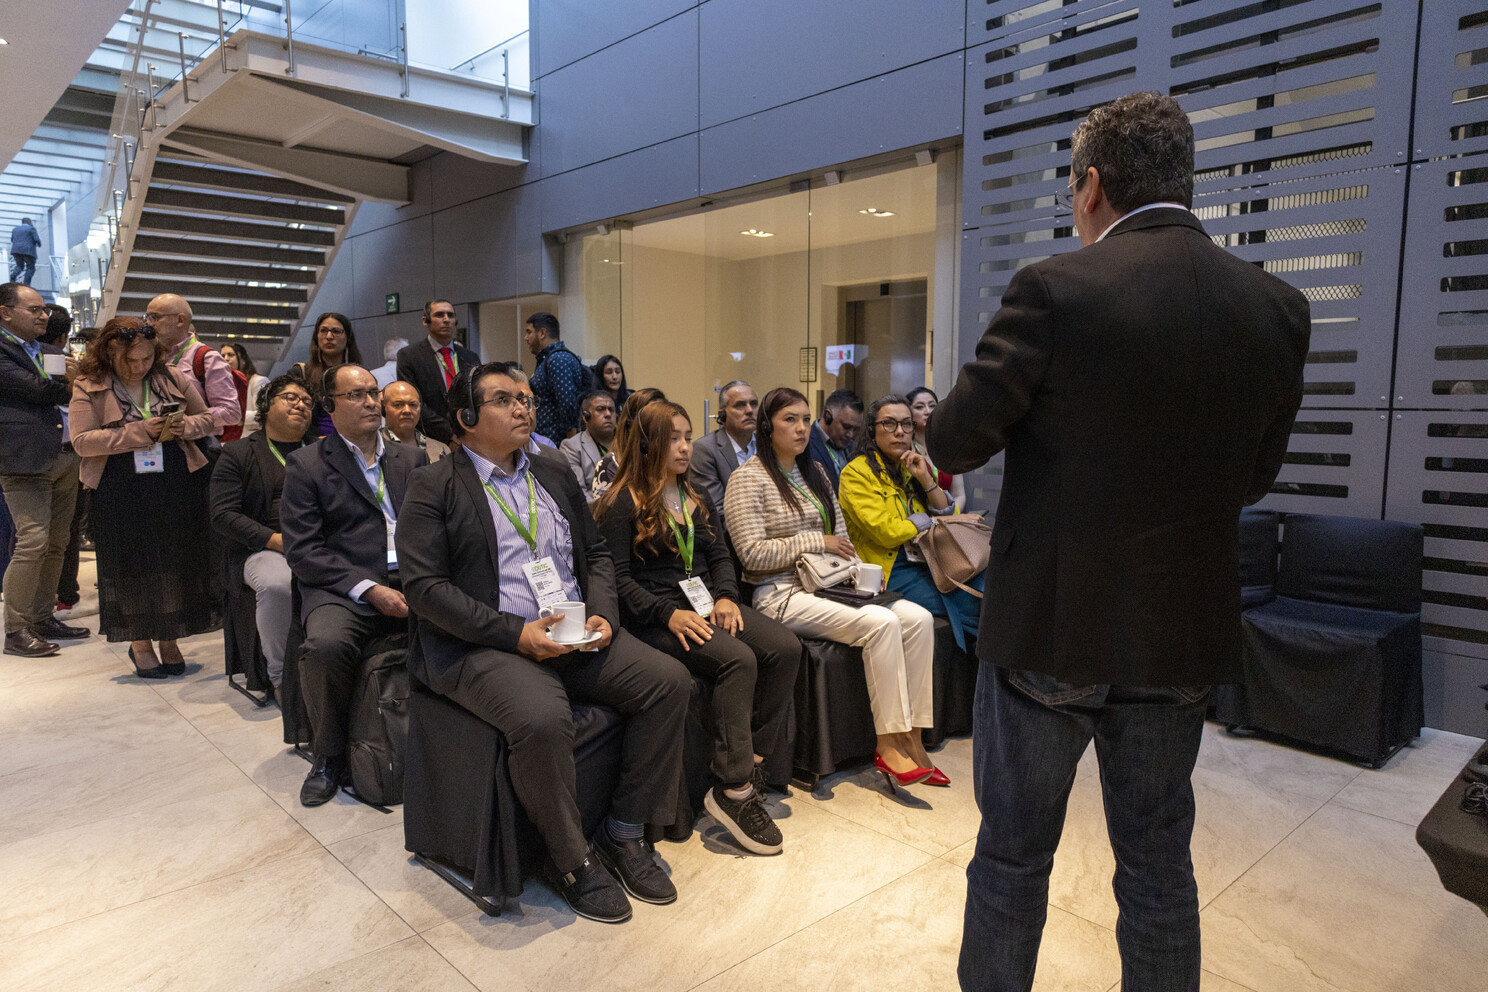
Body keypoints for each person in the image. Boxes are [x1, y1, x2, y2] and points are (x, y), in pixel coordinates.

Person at [929, 92, 1310, 992]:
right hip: (1180, 632)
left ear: (1092, 183)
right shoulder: (1276, 308)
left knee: (1014, 860)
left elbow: (950, 442)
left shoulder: (1055, 290)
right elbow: (1255, 477)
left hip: (1050, 634)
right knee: (1156, 866)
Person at [397, 362, 692, 924]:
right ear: (465, 417)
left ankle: (624, 831)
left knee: (668, 682)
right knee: (540, 718)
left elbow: (598, 556)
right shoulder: (434, 484)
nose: (523, 409)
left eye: (528, 400)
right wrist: (517, 634)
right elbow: (425, 590)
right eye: (505, 400)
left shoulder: (552, 470)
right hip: (481, 643)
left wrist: (604, 614)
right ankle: (572, 858)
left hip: (571, 629)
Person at [596, 399, 802, 854]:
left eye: (688, 437)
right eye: (673, 438)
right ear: (647, 443)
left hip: (707, 601)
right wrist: (666, 614)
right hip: (656, 614)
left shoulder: (696, 495)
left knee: (786, 648)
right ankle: (734, 791)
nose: (685, 447)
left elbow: (721, 556)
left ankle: (753, 760)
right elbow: (618, 582)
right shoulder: (620, 503)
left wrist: (727, 595)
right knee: (738, 660)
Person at [724, 387, 942, 786]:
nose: (801, 428)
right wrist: (815, 541)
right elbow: (752, 556)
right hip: (779, 593)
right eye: (790, 419)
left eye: (805, 419)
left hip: (829, 584)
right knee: (882, 624)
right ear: (766, 426)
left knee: (918, 618)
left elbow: (843, 539)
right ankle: (888, 742)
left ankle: (914, 736)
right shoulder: (747, 478)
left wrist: (859, 573)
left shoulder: (815, 472)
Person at [281, 363, 427, 806]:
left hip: (411, 575)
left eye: (372, 393)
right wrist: (369, 589)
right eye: (357, 395)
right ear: (331, 407)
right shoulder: (307, 464)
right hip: (341, 585)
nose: (370, 402)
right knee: (326, 647)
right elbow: (304, 551)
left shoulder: (411, 458)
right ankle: (328, 755)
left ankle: (442, 743)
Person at [70, 317, 220, 676]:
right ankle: (140, 643)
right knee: (131, 566)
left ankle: (170, 638)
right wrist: (136, 433)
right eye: (130, 361)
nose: (139, 368)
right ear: (109, 354)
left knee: (175, 560)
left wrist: (185, 426)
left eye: (145, 360)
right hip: (119, 488)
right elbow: (81, 441)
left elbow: (209, 419)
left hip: (174, 483)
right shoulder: (88, 384)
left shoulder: (171, 377)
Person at [839, 396, 982, 648]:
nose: (899, 432)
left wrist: (926, 480)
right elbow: (886, 532)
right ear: (872, 431)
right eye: (889, 424)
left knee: (986, 588)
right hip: (889, 568)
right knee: (971, 606)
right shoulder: (856, 472)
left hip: (927, 559)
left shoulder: (910, 466)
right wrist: (926, 521)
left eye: (906, 425)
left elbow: (948, 513)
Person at [209, 375, 314, 689]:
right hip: (262, 549)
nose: (301, 406)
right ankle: (282, 678)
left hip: (319, 543)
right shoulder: (237, 454)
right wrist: (276, 541)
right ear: (266, 407)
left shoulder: (323, 450)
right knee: (279, 584)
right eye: (291, 398)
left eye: (308, 402)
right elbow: (222, 514)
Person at [0, 283, 85, 656]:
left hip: (66, 455)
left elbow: (71, 391)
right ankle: (16, 628)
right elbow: (37, 389)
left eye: (44, 310)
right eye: (33, 309)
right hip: (24, 459)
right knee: (32, 541)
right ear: (5, 312)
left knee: (57, 543)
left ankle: (41, 615)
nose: (43, 315)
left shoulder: (49, 350)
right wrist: (69, 379)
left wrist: (69, 381)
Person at [143, 294, 242, 440]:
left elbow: (231, 412)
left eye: (156, 317)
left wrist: (186, 421)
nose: (149, 324)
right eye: (147, 317)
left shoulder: (206, 357)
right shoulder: (149, 356)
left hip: (198, 446)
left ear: (180, 320)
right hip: (157, 446)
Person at [395, 300, 477, 445]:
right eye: (439, 315)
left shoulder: (470, 357)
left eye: (450, 315)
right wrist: (451, 435)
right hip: (429, 438)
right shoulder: (409, 356)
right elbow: (416, 402)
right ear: (425, 321)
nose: (446, 320)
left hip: (468, 436)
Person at [688, 380, 757, 534]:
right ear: (722, 415)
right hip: (731, 540)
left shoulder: (769, 447)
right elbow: (717, 514)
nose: (749, 410)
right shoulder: (705, 450)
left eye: (754, 404)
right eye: (740, 405)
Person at [292, 312, 363, 439]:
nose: (329, 336)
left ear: (348, 338)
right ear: (316, 337)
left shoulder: (359, 375)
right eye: (323, 331)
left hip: (351, 443)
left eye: (336, 331)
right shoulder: (300, 373)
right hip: (312, 446)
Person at [590, 387, 665, 503]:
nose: (660, 425)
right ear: (632, 423)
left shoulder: (668, 460)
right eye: (652, 417)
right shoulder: (609, 465)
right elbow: (606, 515)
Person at [524, 312, 586, 441]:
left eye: (529, 332)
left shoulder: (558, 359)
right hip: (547, 439)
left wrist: (569, 441)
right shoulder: (547, 359)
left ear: (542, 333)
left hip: (556, 442)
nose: (526, 337)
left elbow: (567, 403)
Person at [906, 387, 965, 512]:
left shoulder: (947, 446)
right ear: (908, 414)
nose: (927, 411)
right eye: (919, 407)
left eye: (932, 406)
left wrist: (951, 516)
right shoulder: (906, 447)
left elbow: (959, 495)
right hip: (919, 518)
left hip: (951, 518)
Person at [559, 390, 616, 499]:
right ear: (586, 417)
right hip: (595, 511)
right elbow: (579, 495)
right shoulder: (571, 447)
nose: (608, 414)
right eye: (600, 409)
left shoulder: (627, 443)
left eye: (611, 410)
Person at [807, 388, 863, 492]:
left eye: (855, 429)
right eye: (846, 426)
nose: (850, 435)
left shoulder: (854, 448)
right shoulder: (805, 444)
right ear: (828, 416)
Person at [380, 380, 451, 462]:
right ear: (383, 409)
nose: (407, 410)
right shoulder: (374, 447)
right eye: (398, 405)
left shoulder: (441, 450)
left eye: (413, 405)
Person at [219, 344, 270, 435]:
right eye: (222, 356)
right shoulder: (223, 385)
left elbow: (263, 415)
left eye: (230, 355)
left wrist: (234, 416)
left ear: (243, 360)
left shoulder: (259, 381)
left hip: (251, 440)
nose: (226, 359)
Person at [8, 218, 41, 285]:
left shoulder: (15, 229)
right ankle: (26, 284)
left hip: (16, 251)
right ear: (29, 222)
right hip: (28, 251)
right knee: (30, 267)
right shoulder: (31, 228)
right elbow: (36, 239)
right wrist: (39, 244)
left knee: (19, 266)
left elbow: (12, 240)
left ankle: (13, 276)